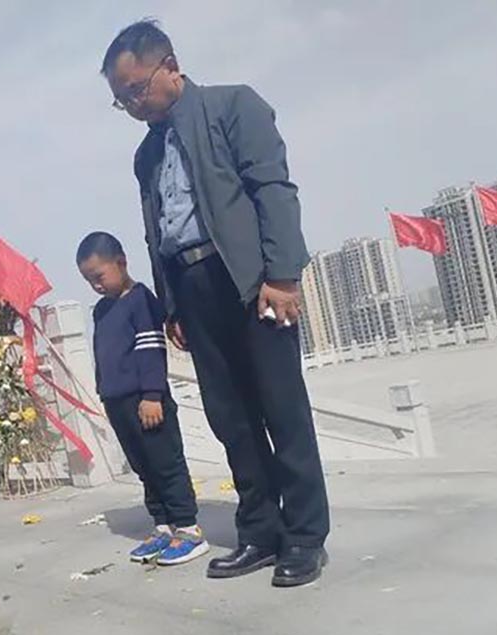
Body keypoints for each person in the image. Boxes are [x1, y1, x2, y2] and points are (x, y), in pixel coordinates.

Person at [100, 20, 330, 587]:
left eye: (136, 89)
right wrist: (172, 306)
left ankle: (304, 536)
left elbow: (272, 189)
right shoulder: (146, 155)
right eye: (121, 99)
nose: (132, 105)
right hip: (193, 290)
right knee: (231, 418)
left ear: (170, 66)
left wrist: (282, 275)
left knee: (282, 408)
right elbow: (156, 231)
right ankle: (260, 532)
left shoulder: (232, 107)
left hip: (250, 281)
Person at [77, 231, 209, 567]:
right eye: (88, 281)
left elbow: (151, 350)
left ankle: (188, 529)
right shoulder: (101, 311)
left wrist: (152, 395)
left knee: (165, 463)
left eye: (99, 276)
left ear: (121, 263)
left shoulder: (141, 301)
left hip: (146, 401)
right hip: (117, 402)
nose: (95, 286)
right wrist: (105, 393)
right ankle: (162, 525)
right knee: (143, 467)